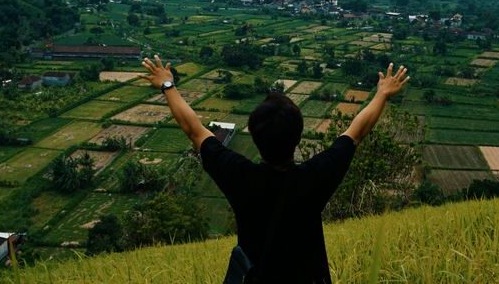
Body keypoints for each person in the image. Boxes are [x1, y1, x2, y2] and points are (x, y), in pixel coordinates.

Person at [140, 56, 409, 283]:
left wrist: (167, 84)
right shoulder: (315, 177)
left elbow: (194, 131)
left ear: (256, 138)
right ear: (298, 135)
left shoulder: (239, 176)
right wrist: (382, 93)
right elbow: (356, 132)